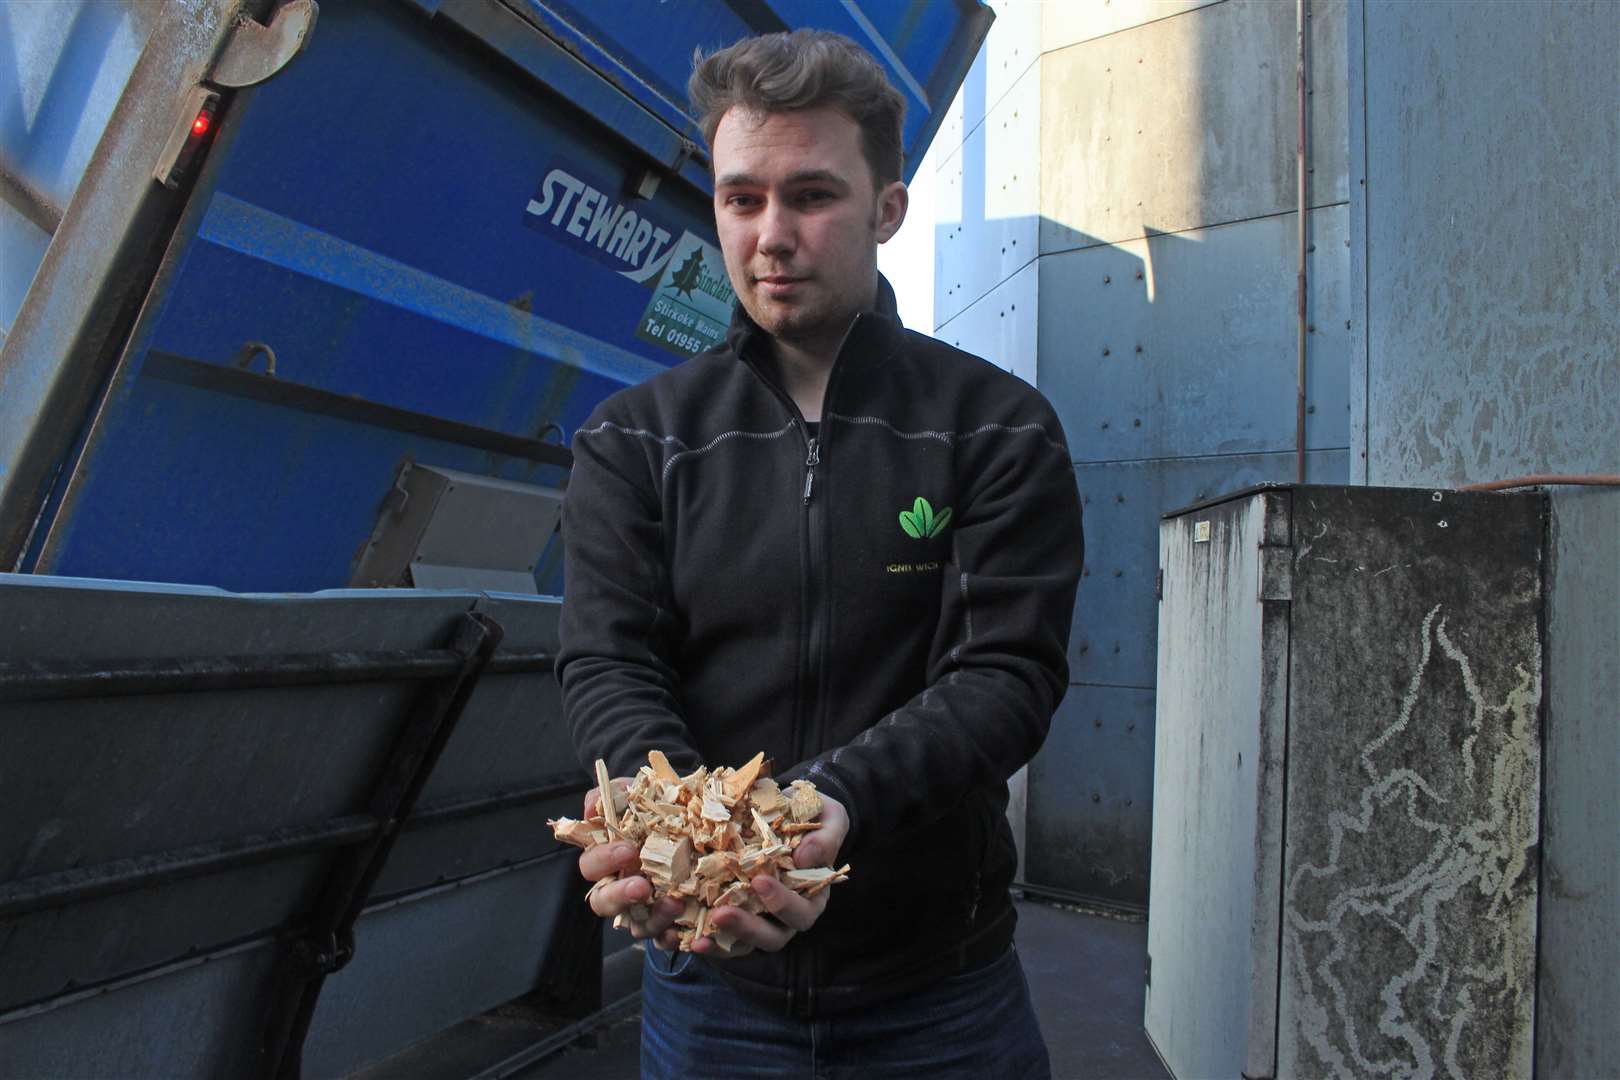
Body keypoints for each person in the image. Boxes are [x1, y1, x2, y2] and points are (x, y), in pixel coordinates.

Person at [556, 28, 1083, 1079]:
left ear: (887, 207)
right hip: (714, 995)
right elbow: (609, 663)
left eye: (812, 196)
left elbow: (1005, 676)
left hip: (940, 992)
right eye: (741, 199)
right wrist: (697, 851)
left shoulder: (996, 427)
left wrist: (822, 812)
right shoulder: (634, 439)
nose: (771, 236)